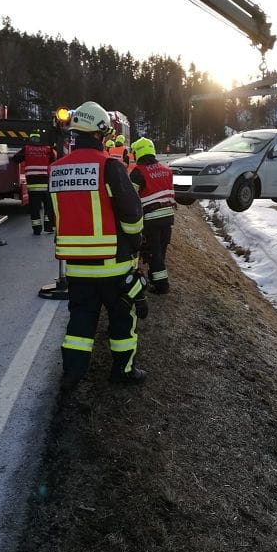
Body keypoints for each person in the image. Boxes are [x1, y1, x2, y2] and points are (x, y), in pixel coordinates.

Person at [49, 101, 147, 385]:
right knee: (122, 322)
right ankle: (123, 372)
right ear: (101, 133)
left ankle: (72, 374)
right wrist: (136, 241)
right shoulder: (109, 166)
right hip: (114, 266)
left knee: (80, 323)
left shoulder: (57, 169)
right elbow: (132, 213)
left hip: (77, 269)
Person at [129, 136, 175, 294]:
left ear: (137, 153)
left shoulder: (137, 173)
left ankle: (162, 286)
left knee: (153, 252)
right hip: (168, 217)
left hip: (151, 219)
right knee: (160, 251)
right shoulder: (166, 170)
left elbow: (131, 199)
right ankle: (156, 278)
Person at [12, 132, 56, 235]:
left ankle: (37, 229)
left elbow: (15, 159)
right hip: (46, 184)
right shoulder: (48, 149)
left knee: (34, 208)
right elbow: (54, 162)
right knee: (48, 207)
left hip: (33, 186)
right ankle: (49, 227)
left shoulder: (26, 149)